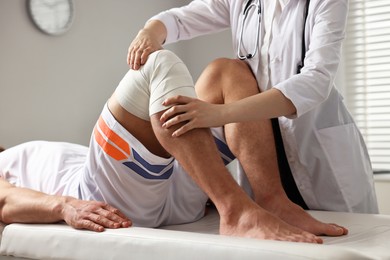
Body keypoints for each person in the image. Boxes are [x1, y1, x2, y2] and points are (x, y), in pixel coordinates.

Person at [0, 50, 347, 243]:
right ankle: (237, 210)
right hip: (113, 199)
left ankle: (271, 199)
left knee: (228, 71)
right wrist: (66, 207)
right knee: (158, 65)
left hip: (171, 188)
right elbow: (4, 199)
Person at [127, 0, 378, 216]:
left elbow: (317, 80)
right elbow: (179, 20)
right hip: (263, 149)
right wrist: (150, 32)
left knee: (348, 237)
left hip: (318, 153)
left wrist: (219, 114)